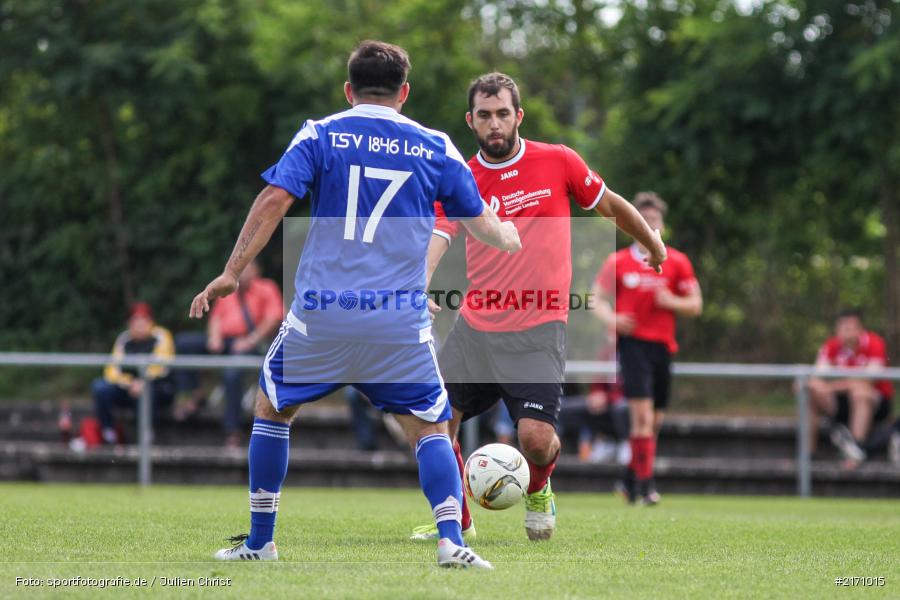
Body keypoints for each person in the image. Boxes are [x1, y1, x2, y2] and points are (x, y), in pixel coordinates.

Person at [189, 41, 520, 569]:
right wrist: (504, 234)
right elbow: (479, 221)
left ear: (349, 90)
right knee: (432, 428)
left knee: (273, 409)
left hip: (322, 313)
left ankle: (260, 541)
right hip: (398, 322)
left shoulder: (319, 133)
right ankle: (451, 542)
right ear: (404, 93)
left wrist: (232, 272)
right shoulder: (435, 144)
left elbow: (275, 199)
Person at [410, 73, 666, 543]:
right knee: (431, 422)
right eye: (484, 115)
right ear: (470, 120)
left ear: (518, 116)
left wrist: (651, 241)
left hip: (539, 328)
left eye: (502, 113)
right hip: (476, 328)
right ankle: (456, 520)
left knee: (536, 441)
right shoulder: (460, 177)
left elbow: (609, 206)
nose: (494, 123)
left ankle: (540, 489)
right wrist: (416, 288)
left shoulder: (558, 160)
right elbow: (439, 236)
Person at [594, 192, 702, 505]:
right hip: (633, 347)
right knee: (641, 418)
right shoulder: (618, 262)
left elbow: (696, 305)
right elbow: (596, 300)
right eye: (644, 220)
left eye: (655, 220)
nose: (650, 225)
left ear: (663, 226)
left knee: (653, 424)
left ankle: (628, 481)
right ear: (634, 225)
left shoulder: (677, 261)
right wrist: (613, 319)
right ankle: (646, 487)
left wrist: (673, 302)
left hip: (663, 348)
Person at [174, 259, 283, 447]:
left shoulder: (267, 288)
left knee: (232, 372)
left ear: (257, 270)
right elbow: (216, 318)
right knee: (185, 343)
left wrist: (250, 341)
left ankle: (232, 429)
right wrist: (214, 338)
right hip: (226, 341)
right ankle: (195, 395)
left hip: (252, 344)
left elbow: (274, 318)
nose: (245, 271)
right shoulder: (229, 289)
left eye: (249, 267)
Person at [807, 308, 893, 465]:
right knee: (809, 389)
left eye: (852, 327)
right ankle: (808, 455)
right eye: (844, 327)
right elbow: (817, 377)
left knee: (860, 393)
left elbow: (868, 381)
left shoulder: (874, 343)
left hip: (875, 403)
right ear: (837, 329)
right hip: (841, 402)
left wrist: (833, 386)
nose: (848, 332)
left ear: (861, 329)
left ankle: (855, 451)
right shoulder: (831, 346)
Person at [91, 302, 175, 444]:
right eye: (136, 321)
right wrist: (130, 384)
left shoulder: (161, 336)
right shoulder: (124, 339)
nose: (140, 325)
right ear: (129, 323)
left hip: (155, 387)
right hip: (129, 387)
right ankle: (108, 433)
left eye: (144, 320)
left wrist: (143, 382)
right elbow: (112, 370)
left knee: (148, 392)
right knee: (100, 387)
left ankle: (147, 434)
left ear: (151, 322)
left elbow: (161, 367)